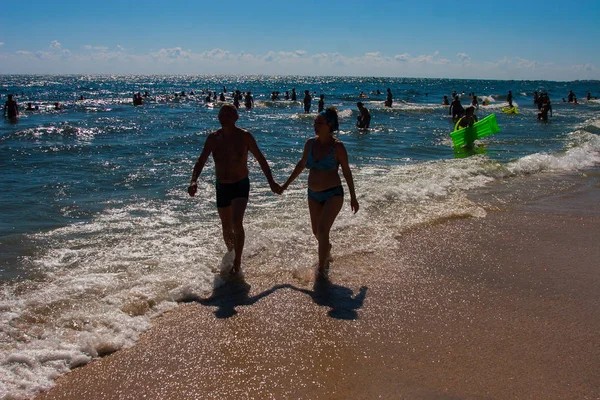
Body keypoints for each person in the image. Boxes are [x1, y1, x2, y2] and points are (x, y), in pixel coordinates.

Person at [188, 104, 282, 275]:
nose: (224, 116)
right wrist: (194, 181)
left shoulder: (245, 137)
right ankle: (232, 254)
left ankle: (238, 261)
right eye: (221, 113)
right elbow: (200, 161)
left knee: (236, 222)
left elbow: (261, 159)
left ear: (236, 117)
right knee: (226, 227)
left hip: (240, 184)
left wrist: (271, 182)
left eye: (228, 114)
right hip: (222, 185)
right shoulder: (213, 138)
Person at [281, 107, 359, 277]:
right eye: (314, 122)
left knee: (323, 230)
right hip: (313, 194)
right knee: (316, 231)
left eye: (319, 123)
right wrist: (285, 184)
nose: (315, 126)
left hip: (333, 194)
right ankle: (327, 250)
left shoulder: (338, 147)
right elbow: (301, 165)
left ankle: (321, 270)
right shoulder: (310, 143)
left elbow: (346, 172)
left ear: (330, 125)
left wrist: (353, 197)